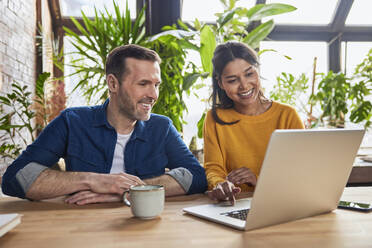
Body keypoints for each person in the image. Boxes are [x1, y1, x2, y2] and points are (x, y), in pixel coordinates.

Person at [1, 44, 207, 205]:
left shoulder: (162, 127)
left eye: (156, 85)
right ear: (113, 83)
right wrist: (95, 181)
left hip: (144, 227)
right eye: (143, 84)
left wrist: (130, 192)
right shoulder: (72, 121)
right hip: (82, 227)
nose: (153, 95)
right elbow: (14, 179)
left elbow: (197, 176)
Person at [204, 42, 304, 205]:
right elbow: (214, 168)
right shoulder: (214, 118)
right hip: (235, 205)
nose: (244, 85)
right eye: (232, 80)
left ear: (257, 71)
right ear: (221, 83)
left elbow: (299, 174)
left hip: (282, 203)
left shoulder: (287, 116)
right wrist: (220, 185)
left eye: (249, 74)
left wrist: (258, 181)